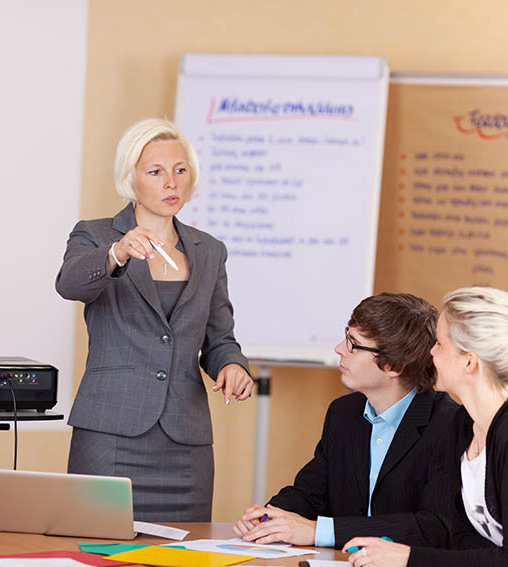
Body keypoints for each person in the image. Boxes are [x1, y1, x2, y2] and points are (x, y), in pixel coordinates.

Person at [55, 118, 253, 522]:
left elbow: (219, 339)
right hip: (110, 435)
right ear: (131, 178)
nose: (171, 184)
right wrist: (118, 252)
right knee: (97, 551)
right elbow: (69, 284)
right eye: (156, 172)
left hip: (185, 443)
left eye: (180, 171)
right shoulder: (96, 235)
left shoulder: (209, 250)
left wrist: (233, 365)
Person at [233, 293, 457, 548]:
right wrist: (268, 517)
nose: (339, 348)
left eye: (354, 344)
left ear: (394, 365)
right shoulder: (343, 412)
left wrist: (318, 531)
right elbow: (310, 494)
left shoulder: (450, 426)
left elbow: (433, 527)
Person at [344, 287, 508, 566]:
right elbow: (460, 536)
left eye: (440, 344)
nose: (430, 352)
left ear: (469, 362)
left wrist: (409, 557)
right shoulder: (462, 425)